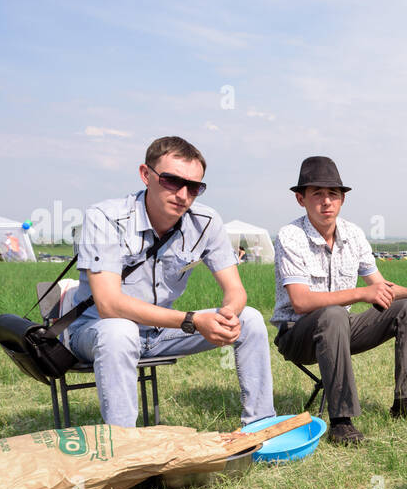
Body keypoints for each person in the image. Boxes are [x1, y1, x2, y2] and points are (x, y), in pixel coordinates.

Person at [67, 136, 275, 429]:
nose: (183, 194)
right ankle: (125, 451)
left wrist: (228, 313)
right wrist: (192, 320)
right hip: (97, 332)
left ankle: (261, 426)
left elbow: (235, 289)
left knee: (250, 318)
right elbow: (109, 304)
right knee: (120, 331)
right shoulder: (105, 217)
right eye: (171, 181)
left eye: (194, 187)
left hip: (161, 333)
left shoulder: (205, 222)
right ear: (145, 175)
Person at [271, 155, 407, 446]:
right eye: (318, 194)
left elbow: (379, 286)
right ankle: (342, 421)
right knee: (334, 314)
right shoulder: (290, 236)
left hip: (342, 329)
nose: (327, 201)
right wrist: (361, 294)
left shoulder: (353, 234)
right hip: (297, 334)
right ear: (301, 199)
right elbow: (300, 301)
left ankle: (405, 404)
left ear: (342, 200)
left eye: (333, 194)